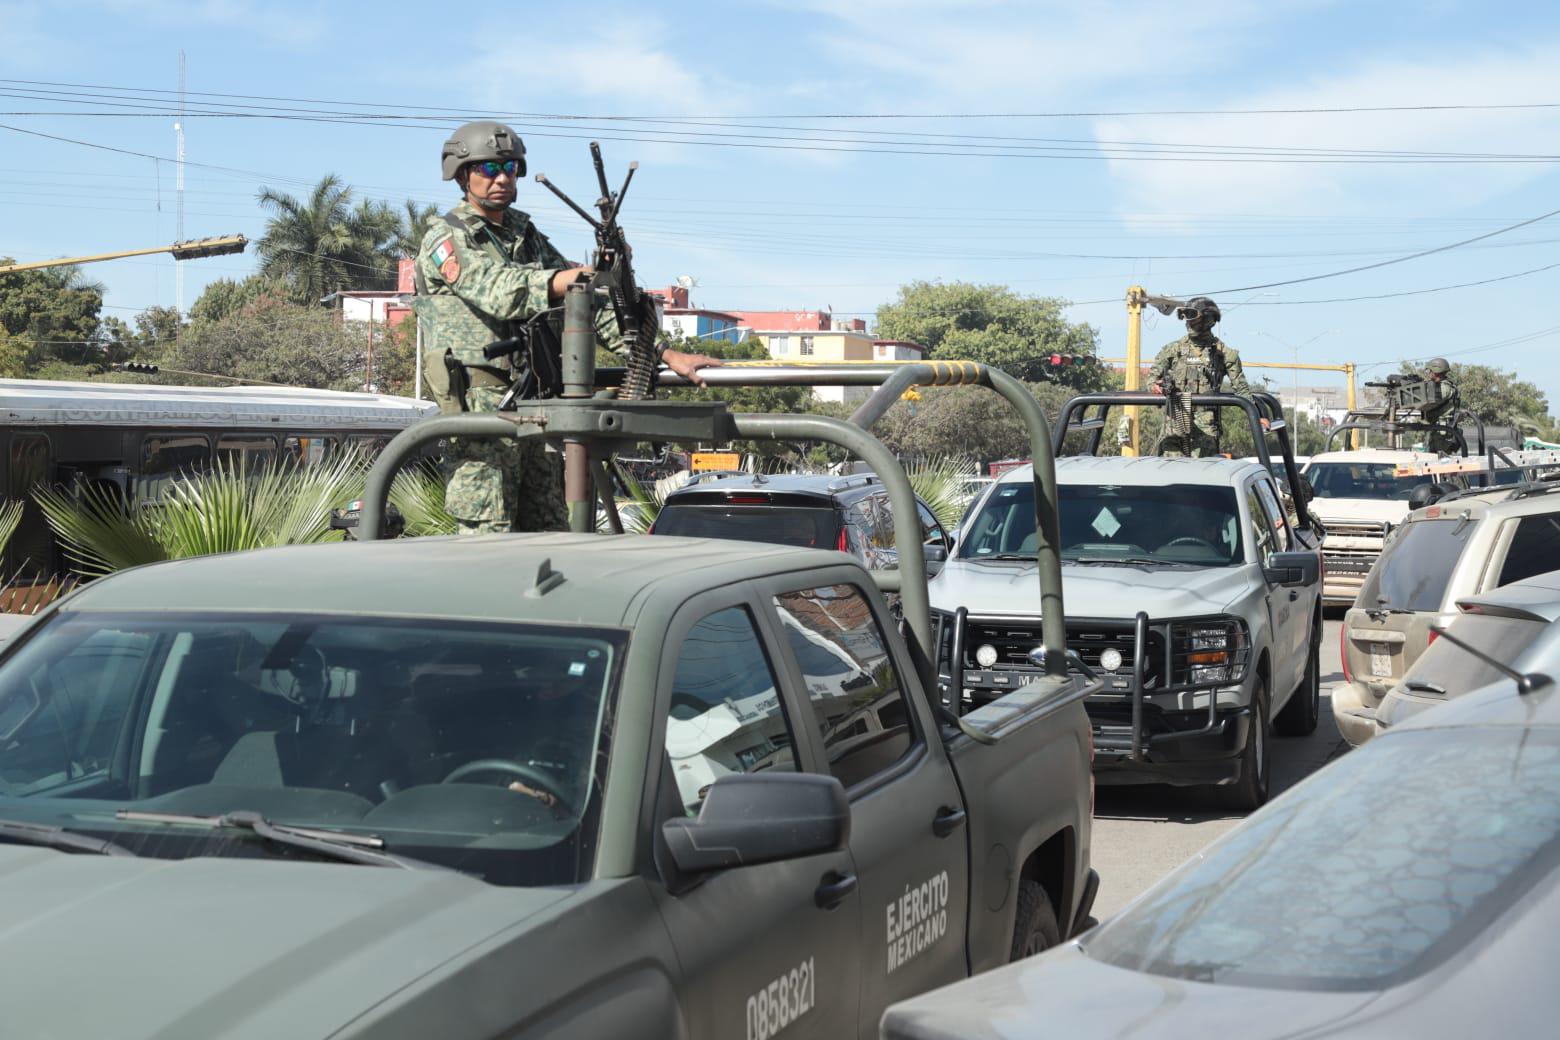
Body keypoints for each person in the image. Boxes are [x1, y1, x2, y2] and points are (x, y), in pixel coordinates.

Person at [415, 120, 719, 534]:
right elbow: (499, 290)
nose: (502, 178)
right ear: (462, 174)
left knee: (549, 531)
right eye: (488, 169)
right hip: (480, 411)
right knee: (487, 536)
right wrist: (568, 278)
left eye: (511, 168)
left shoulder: (525, 236)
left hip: (534, 403)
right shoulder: (446, 238)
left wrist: (663, 352)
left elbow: (588, 302)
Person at [1148, 296, 1255, 457]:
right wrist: (1155, 386)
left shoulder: (1224, 354)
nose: (1188, 323)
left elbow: (1242, 390)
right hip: (1175, 423)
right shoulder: (1172, 350)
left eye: (1193, 318)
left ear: (1208, 320)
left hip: (1205, 429)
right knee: (1168, 473)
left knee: (1202, 475)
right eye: (1185, 317)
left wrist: (1258, 417)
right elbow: (1151, 379)